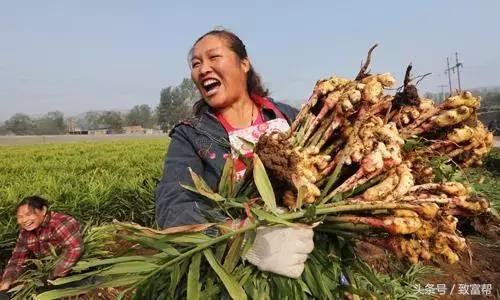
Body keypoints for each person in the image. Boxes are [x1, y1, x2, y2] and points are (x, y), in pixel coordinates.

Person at [155, 29, 314, 278]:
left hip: (307, 259)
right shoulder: (190, 136)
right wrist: (243, 237)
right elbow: (173, 209)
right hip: (234, 274)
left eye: (213, 57)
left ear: (244, 63)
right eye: (196, 64)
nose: (203, 68)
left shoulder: (289, 118)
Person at [0, 196, 84, 294]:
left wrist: (52, 278)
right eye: (20, 217)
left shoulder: (59, 223)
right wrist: (6, 281)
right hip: (46, 266)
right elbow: (17, 258)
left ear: (43, 210)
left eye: (28, 214)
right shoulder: (25, 232)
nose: (24, 220)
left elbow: (75, 249)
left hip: (71, 267)